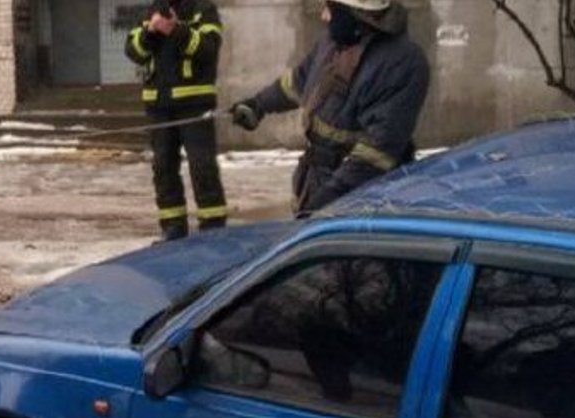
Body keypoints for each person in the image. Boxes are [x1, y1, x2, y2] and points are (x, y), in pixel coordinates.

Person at [230, 0, 428, 215]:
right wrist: (258, 105)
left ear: (357, 14)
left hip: (364, 198)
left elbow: (377, 151)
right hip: (318, 178)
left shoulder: (403, 63)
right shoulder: (333, 43)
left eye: (330, 9)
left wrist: (328, 198)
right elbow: (298, 82)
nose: (323, 16)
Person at [125, 0, 228, 241]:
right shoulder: (151, 10)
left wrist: (176, 30)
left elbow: (209, 49)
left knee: (202, 167)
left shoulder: (203, 9)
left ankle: (213, 228)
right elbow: (133, 51)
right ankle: (172, 227)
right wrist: (150, 31)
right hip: (159, 105)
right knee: (163, 168)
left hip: (194, 104)